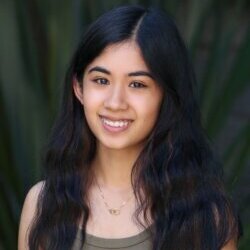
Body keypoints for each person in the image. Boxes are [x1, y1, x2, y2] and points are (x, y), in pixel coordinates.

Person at [18, 5, 241, 250]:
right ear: (79, 88)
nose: (115, 102)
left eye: (137, 84)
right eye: (101, 81)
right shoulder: (43, 204)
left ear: (166, 95)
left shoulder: (208, 217)